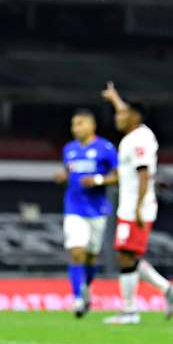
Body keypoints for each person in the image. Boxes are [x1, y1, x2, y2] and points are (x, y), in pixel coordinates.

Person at [101, 82, 173, 325]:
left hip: (136, 207)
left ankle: (130, 311)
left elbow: (145, 173)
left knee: (125, 256)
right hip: (131, 206)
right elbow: (126, 112)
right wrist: (115, 98)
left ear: (134, 117)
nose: (117, 118)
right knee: (129, 255)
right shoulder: (135, 134)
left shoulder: (140, 140)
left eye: (122, 114)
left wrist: (138, 207)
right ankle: (168, 290)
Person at [53, 109, 117, 318]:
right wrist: (64, 175)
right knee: (76, 251)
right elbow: (70, 170)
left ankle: (86, 290)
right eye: (73, 124)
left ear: (92, 125)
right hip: (74, 209)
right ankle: (78, 299)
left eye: (80, 124)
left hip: (97, 211)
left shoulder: (105, 148)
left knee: (90, 257)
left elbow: (118, 175)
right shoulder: (69, 149)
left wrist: (98, 180)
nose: (75, 128)